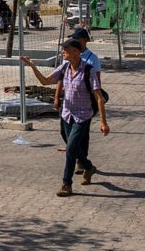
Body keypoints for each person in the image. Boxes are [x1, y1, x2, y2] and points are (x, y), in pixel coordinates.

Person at [23, 38, 108, 197]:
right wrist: (32, 65)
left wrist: (103, 122)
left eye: (66, 50)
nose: (63, 52)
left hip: (83, 116)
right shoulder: (64, 67)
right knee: (72, 147)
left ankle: (66, 184)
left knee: (70, 148)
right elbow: (45, 81)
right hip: (67, 114)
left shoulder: (88, 71)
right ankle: (88, 167)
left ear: (76, 52)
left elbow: (99, 97)